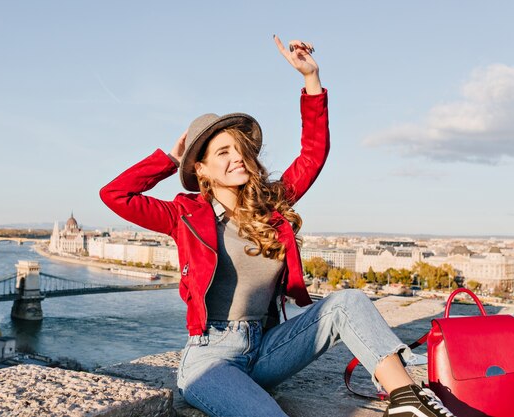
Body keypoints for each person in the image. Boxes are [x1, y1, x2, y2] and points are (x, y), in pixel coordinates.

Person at [100, 35, 456, 417]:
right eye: (223, 152)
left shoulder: (270, 204)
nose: (238, 159)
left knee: (347, 302)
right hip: (211, 361)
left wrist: (311, 79)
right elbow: (115, 194)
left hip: (266, 348)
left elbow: (313, 153)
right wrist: (172, 159)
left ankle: (407, 402)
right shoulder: (184, 216)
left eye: (241, 150)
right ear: (200, 169)